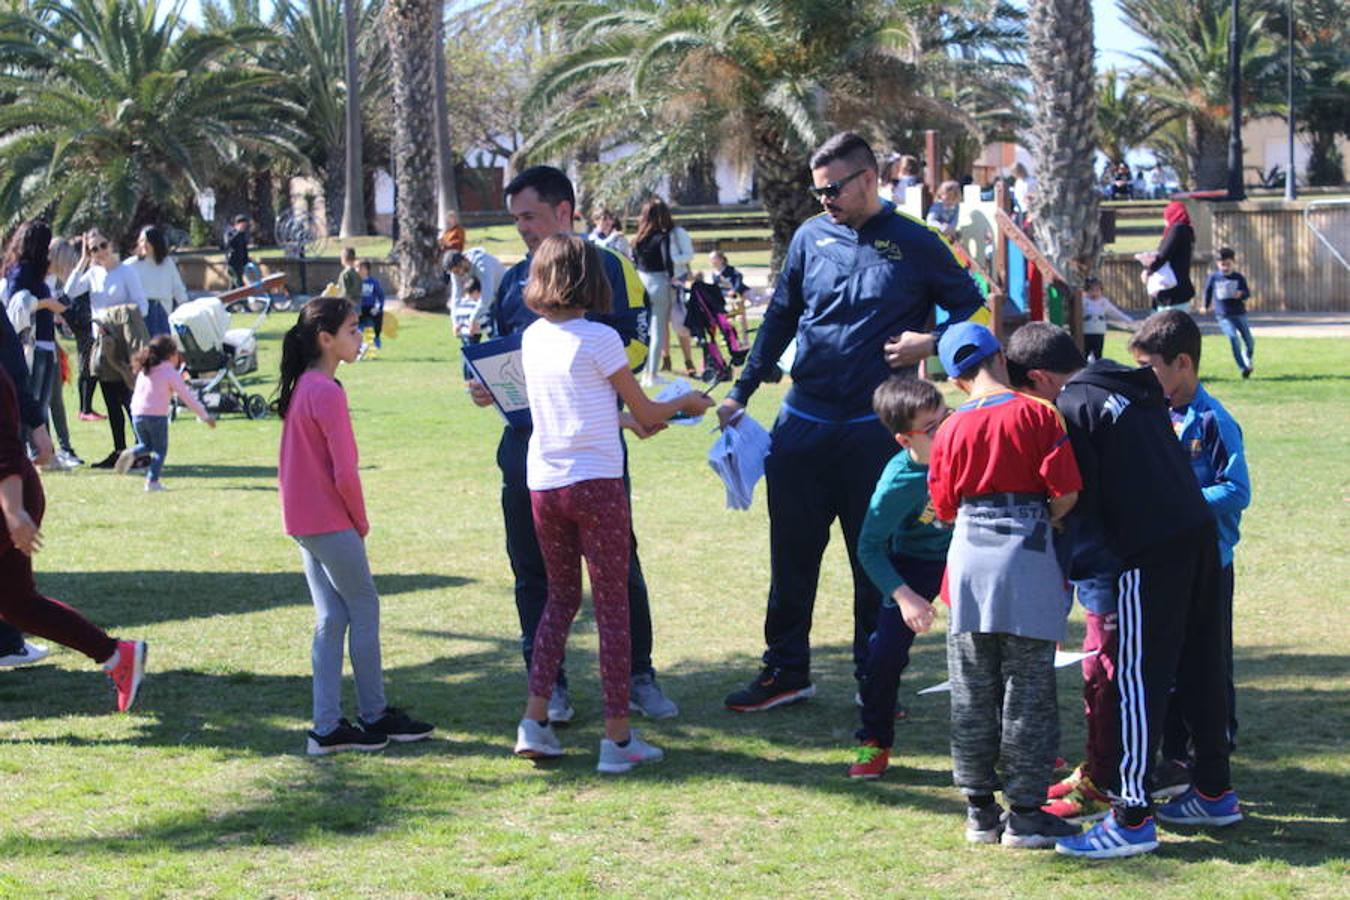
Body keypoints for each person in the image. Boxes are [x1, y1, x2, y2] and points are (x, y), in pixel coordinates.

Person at [718, 131, 985, 713]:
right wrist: (741, 390)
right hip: (804, 423)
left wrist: (933, 341)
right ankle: (786, 671)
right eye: (817, 192)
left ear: (870, 178)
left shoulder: (918, 242)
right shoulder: (810, 238)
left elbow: (976, 306)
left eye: (833, 188)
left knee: (876, 556)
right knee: (791, 555)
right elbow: (781, 317)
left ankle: (876, 679)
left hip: (878, 432)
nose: (824, 201)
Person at [1004, 322, 1241, 860]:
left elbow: (1076, 498)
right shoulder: (1125, 385)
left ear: (1039, 378)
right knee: (1202, 664)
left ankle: (1131, 816)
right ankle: (1214, 791)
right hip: (1200, 535)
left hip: (1148, 551)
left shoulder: (1073, 409)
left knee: (1138, 679)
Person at [468, 165, 680, 723]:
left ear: (564, 212)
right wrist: (485, 386)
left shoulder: (607, 267)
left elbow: (633, 348)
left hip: (594, 447)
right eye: (514, 220)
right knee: (534, 573)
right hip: (529, 452)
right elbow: (500, 351)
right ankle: (550, 685)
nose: (522, 230)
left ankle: (639, 677)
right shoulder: (516, 278)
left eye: (530, 217)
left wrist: (606, 399)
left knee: (618, 570)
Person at [511, 235, 712, 772]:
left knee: (558, 601)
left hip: (545, 484)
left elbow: (581, 409)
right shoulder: (600, 338)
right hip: (597, 484)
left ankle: (534, 723)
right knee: (612, 607)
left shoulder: (532, 338)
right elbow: (648, 410)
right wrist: (687, 403)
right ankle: (617, 739)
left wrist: (631, 420)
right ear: (590, 280)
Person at [927, 322, 1082, 849]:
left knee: (972, 688)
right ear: (999, 356)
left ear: (956, 377)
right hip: (1028, 553)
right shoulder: (1038, 413)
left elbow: (944, 505)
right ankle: (1027, 812)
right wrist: (1049, 516)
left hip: (969, 557)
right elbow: (1064, 492)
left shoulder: (948, 428)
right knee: (1029, 690)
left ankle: (978, 809)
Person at [277, 295, 435, 755]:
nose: (359, 335)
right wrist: (359, 521)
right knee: (362, 607)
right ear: (325, 340)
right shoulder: (325, 391)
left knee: (333, 616)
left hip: (305, 521)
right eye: (351, 330)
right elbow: (344, 471)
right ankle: (373, 714)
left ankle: (328, 727)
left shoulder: (306, 385)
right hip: (328, 521)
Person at [0, 312, 147, 711]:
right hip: (14, 496)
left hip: (8, 498)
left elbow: (6, 452)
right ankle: (118, 656)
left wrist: (13, 513)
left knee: (16, 603)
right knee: (17, 604)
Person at [1129, 311, 1250, 767]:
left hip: (1211, 563)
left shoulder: (1213, 419)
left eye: (1150, 367)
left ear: (1183, 362)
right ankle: (1175, 750)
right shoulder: (1154, 413)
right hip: (1169, 561)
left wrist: (1179, 500)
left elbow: (1236, 490)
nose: (1145, 377)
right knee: (1171, 658)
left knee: (1210, 660)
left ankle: (1215, 744)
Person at [847, 377, 951, 780]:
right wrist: (906, 597)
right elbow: (869, 548)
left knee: (997, 649)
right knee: (884, 652)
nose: (945, 430)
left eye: (946, 417)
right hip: (915, 564)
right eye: (931, 428)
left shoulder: (964, 447)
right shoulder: (897, 484)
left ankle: (1019, 742)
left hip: (968, 556)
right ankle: (873, 739)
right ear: (904, 440)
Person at [64, 228, 149, 469]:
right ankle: (119, 451)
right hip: (102, 346)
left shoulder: (126, 272)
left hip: (124, 345)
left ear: (111, 244)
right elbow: (69, 292)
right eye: (93, 248)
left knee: (130, 400)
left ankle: (141, 450)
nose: (100, 251)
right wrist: (82, 260)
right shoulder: (92, 273)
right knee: (111, 401)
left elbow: (142, 307)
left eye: (102, 245)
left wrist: (114, 319)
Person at [113, 335, 216, 490]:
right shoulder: (169, 372)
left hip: (137, 414)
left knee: (146, 445)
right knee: (160, 451)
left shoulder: (145, 369)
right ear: (170, 355)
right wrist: (205, 415)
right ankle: (152, 482)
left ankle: (131, 452)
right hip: (156, 416)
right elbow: (187, 397)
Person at [3, 221, 68, 460]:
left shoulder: (37, 273)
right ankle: (27, 452)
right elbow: (14, 305)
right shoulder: (20, 272)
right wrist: (48, 304)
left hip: (46, 343)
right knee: (29, 401)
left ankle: (43, 453)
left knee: (41, 402)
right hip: (32, 345)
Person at [632, 197, 695, 384]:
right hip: (659, 283)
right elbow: (667, 261)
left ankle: (644, 373)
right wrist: (672, 278)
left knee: (646, 330)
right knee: (658, 329)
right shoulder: (662, 236)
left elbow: (635, 261)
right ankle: (652, 374)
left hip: (641, 281)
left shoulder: (637, 239)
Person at [44, 238, 84, 468]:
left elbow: (65, 298)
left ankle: (65, 448)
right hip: (35, 345)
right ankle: (47, 450)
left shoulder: (52, 281)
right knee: (44, 399)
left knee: (56, 398)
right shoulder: (38, 279)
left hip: (50, 342)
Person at [125, 226, 188, 337]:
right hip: (139, 315)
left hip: (162, 315)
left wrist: (186, 309)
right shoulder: (131, 265)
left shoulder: (167, 263)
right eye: (141, 241)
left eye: (147, 241)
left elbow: (178, 289)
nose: (144, 244)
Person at [1203, 247, 1254, 378]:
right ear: (1217, 264)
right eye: (1222, 264)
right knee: (1233, 338)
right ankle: (1243, 368)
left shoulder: (1238, 277)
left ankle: (1247, 357)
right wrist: (1205, 306)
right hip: (1223, 315)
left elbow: (1247, 293)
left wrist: (1241, 294)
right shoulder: (1214, 277)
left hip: (1239, 313)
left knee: (1249, 341)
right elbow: (1207, 292)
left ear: (1233, 262)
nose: (1225, 267)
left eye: (1228, 264)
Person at [1140, 200, 1195, 312]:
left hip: (1172, 292)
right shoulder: (1186, 231)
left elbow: (1164, 254)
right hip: (1178, 289)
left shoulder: (1177, 229)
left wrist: (1149, 271)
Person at [444, 247, 505, 335]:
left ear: (464, 260)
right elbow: (456, 297)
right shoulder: (456, 273)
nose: (459, 274)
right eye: (455, 272)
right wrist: (455, 323)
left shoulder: (482, 264)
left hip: (504, 292)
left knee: (497, 332)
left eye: (458, 270)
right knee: (468, 331)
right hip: (486, 299)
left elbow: (487, 297)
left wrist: (473, 319)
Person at [1080, 276, 1136, 362]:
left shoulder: (1104, 302)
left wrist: (1128, 320)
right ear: (1086, 291)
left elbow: (1115, 312)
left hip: (1099, 332)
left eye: (1097, 290)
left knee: (1098, 354)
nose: (1095, 293)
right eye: (1092, 290)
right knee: (1085, 353)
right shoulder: (1083, 301)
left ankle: (1098, 371)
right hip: (1086, 332)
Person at [358, 260, 386, 349]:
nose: (358, 270)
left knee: (378, 314)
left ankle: (377, 336)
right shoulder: (355, 282)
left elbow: (381, 296)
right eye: (358, 268)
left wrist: (379, 307)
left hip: (370, 307)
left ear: (367, 270)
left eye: (361, 268)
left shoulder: (373, 282)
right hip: (359, 307)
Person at [225, 215, 251, 288]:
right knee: (239, 283)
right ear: (237, 224)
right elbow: (229, 243)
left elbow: (244, 248)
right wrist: (238, 232)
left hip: (240, 263)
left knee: (234, 284)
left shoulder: (242, 234)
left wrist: (246, 260)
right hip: (232, 263)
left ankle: (230, 298)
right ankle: (242, 299)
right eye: (243, 225)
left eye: (245, 226)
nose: (244, 227)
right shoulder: (230, 232)